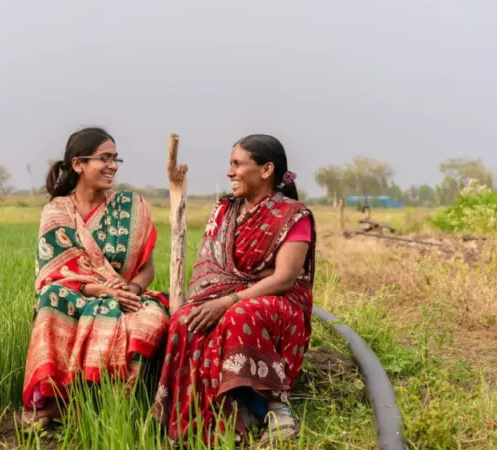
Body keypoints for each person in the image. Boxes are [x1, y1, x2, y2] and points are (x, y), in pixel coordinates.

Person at [152, 134, 316, 446]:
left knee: (240, 313)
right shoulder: (224, 211)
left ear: (266, 170)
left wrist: (230, 298)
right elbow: (213, 270)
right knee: (185, 319)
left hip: (278, 304)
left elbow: (283, 278)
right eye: (230, 164)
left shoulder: (292, 215)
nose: (230, 172)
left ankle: (276, 408)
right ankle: (207, 414)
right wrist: (246, 282)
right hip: (233, 295)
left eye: (237, 164)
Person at [22, 127, 170, 428]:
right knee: (52, 300)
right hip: (80, 294)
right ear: (78, 164)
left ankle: (111, 406)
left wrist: (130, 288)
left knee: (151, 318)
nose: (113, 166)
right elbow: (54, 274)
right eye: (105, 158)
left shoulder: (132, 207)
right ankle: (54, 405)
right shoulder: (57, 211)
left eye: (116, 159)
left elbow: (147, 269)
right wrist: (104, 290)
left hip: (129, 294)